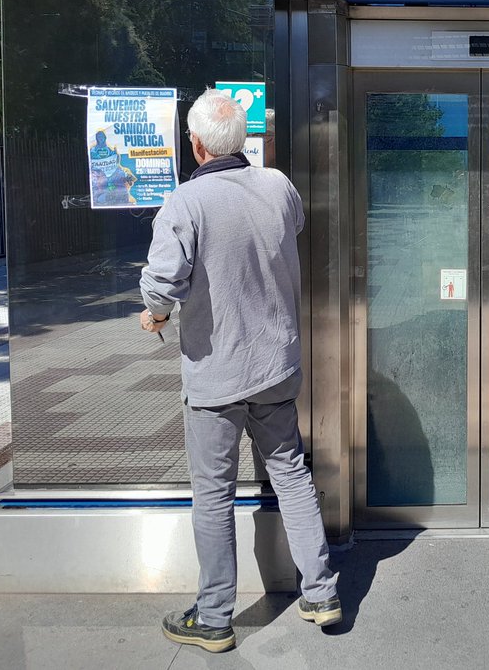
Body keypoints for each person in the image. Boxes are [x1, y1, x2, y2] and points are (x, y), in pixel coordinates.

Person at [139, 89, 340, 653]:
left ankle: (214, 617)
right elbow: (288, 229)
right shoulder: (278, 187)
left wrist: (154, 315)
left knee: (213, 494)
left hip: (217, 378)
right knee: (293, 477)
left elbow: (163, 283)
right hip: (275, 367)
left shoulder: (185, 202)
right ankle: (321, 592)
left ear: (196, 144)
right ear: (244, 141)